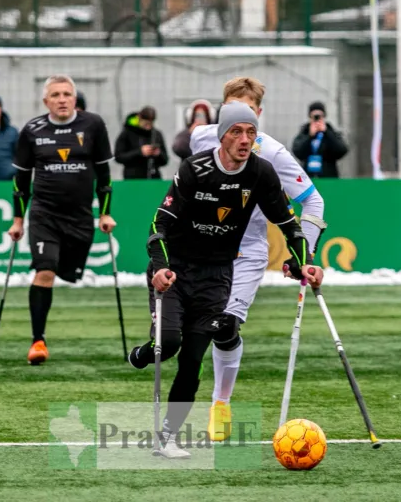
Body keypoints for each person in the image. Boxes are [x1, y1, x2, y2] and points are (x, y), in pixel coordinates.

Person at [128, 101, 323, 459]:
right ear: (222, 136)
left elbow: (288, 225)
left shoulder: (262, 173)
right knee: (167, 345)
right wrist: (159, 267)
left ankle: (167, 438)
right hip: (175, 270)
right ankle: (141, 354)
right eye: (236, 131)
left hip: (217, 275)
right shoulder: (194, 169)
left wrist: (304, 263)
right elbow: (159, 225)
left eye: (250, 132)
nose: (245, 139)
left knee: (192, 358)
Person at [188, 77, 325, 442]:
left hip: (246, 253)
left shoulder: (274, 154)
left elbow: (314, 202)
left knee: (226, 327)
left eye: (249, 114)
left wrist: (303, 255)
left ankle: (220, 404)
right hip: (201, 249)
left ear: (259, 114)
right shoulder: (200, 138)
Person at [8, 75, 116, 365]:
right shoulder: (32, 130)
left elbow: (104, 177)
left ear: (75, 98)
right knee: (45, 271)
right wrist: (18, 220)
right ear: (46, 101)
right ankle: (38, 341)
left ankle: (40, 335)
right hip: (44, 214)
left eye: (67, 94)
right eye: (55, 95)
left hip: (80, 217)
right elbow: (20, 180)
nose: (62, 99)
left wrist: (105, 213)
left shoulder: (93, 125)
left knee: (69, 273)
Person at [292, 101, 347, 178]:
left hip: (328, 176)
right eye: (314, 117)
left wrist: (326, 133)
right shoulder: (304, 132)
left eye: (320, 116)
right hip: (308, 177)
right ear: (310, 117)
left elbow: (342, 150)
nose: (317, 119)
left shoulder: (331, 132)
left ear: (324, 117)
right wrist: (310, 136)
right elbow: (297, 152)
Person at [114, 106, 169, 179]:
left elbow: (165, 160)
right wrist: (139, 152)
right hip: (132, 179)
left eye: (151, 124)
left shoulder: (156, 134)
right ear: (139, 118)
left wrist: (158, 154)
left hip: (154, 177)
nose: (148, 127)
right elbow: (118, 157)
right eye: (146, 124)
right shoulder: (127, 133)